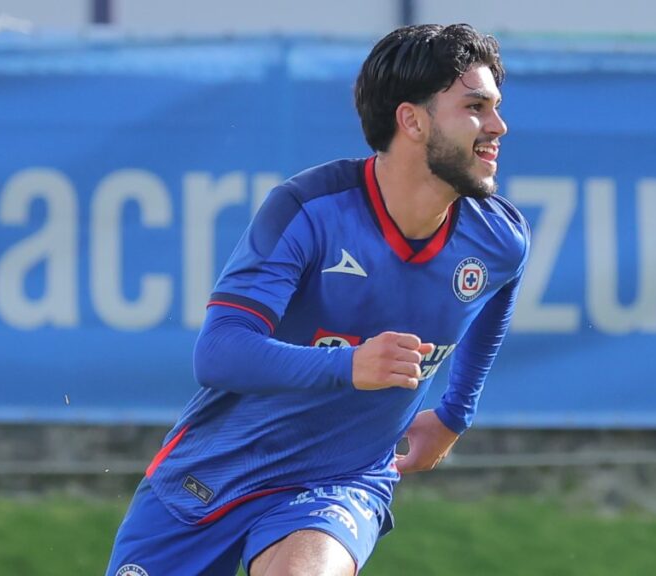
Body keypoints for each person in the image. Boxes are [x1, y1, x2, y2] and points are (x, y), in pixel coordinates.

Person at [106, 22, 529, 576]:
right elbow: (220, 352)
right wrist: (350, 364)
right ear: (413, 120)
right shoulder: (309, 209)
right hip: (207, 479)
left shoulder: (498, 238)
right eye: (476, 107)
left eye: (495, 107)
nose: (498, 126)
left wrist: (455, 414)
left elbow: (498, 296)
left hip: (335, 484)